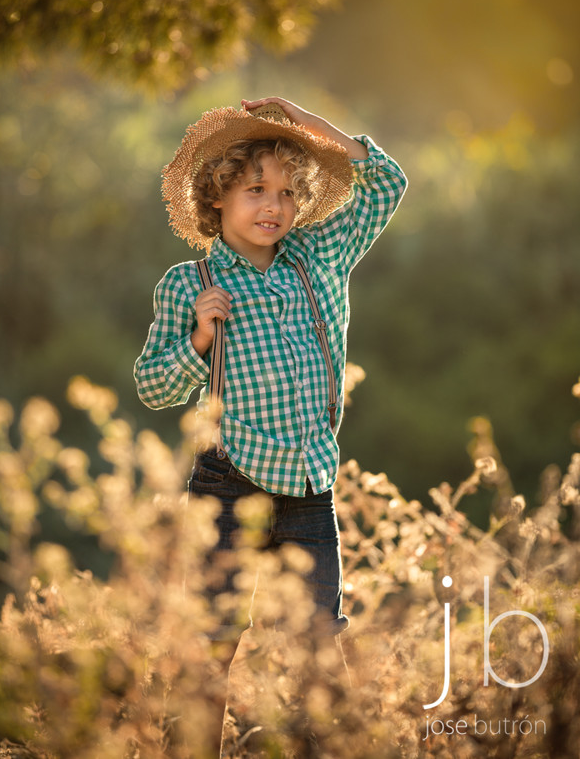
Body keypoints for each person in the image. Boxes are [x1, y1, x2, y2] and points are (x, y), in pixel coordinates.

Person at [134, 96, 407, 755]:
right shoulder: (189, 282)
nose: (273, 206)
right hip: (228, 482)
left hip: (309, 487)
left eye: (287, 192)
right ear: (218, 196)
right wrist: (199, 338)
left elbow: (388, 182)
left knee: (317, 644)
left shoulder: (321, 258)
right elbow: (152, 387)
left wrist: (307, 124)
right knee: (208, 646)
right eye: (255, 188)